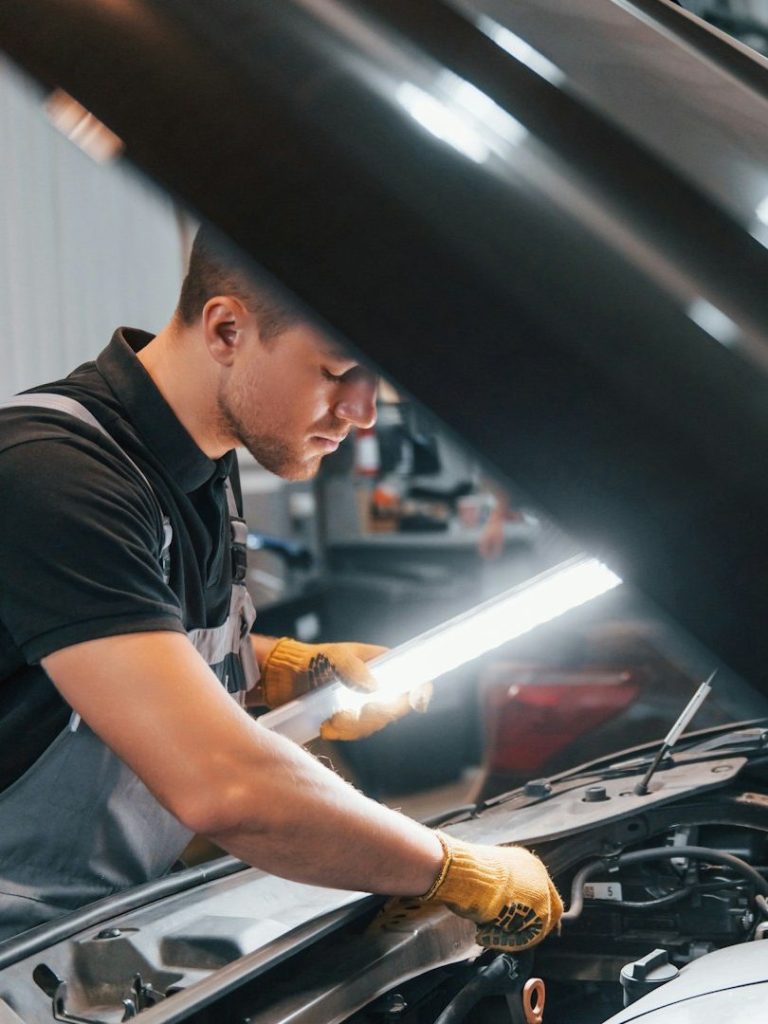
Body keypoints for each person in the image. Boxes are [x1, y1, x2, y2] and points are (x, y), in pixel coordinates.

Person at [0, 226, 562, 947]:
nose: (361, 414)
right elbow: (222, 784)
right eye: (335, 373)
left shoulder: (204, 460)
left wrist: (284, 670)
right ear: (227, 328)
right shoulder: (54, 476)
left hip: (81, 932)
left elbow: (127, 651)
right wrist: (448, 867)